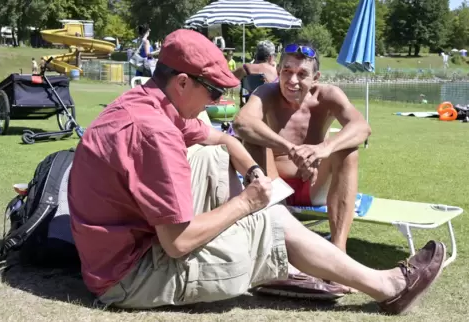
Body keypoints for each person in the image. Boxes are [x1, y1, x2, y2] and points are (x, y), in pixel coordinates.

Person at [68, 29, 446, 315]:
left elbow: (226, 139)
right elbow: (177, 244)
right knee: (269, 219)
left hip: (113, 250)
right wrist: (249, 202)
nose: (219, 101)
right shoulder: (156, 133)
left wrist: (252, 174)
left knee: (214, 153)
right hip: (129, 276)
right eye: (214, 92)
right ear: (182, 82)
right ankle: (386, 286)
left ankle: (304, 255)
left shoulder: (147, 102)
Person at [232, 41, 371, 294]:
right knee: (252, 139)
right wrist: (290, 147)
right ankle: (279, 241)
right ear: (279, 70)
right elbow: (241, 122)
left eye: (302, 74)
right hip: (273, 186)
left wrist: (322, 150)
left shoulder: (328, 95)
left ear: (315, 77)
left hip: (313, 184)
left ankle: (338, 253)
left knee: (348, 150)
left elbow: (362, 128)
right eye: (287, 71)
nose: (292, 80)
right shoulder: (266, 93)